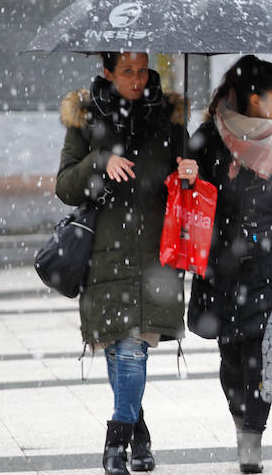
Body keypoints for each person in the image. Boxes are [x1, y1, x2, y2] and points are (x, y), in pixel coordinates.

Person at [56, 51, 198, 475]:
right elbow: (64, 186)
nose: (137, 79)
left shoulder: (168, 118)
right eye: (127, 72)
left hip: (158, 253)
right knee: (120, 350)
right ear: (107, 72)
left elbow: (186, 182)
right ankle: (138, 433)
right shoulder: (85, 116)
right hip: (104, 255)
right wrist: (100, 161)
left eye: (142, 70)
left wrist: (190, 173)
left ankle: (115, 442)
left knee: (134, 349)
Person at [186, 55, 272, 474]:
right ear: (254, 98)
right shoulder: (208, 138)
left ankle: (252, 437)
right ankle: (241, 421)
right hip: (221, 266)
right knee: (230, 358)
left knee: (257, 357)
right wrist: (186, 179)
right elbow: (183, 198)